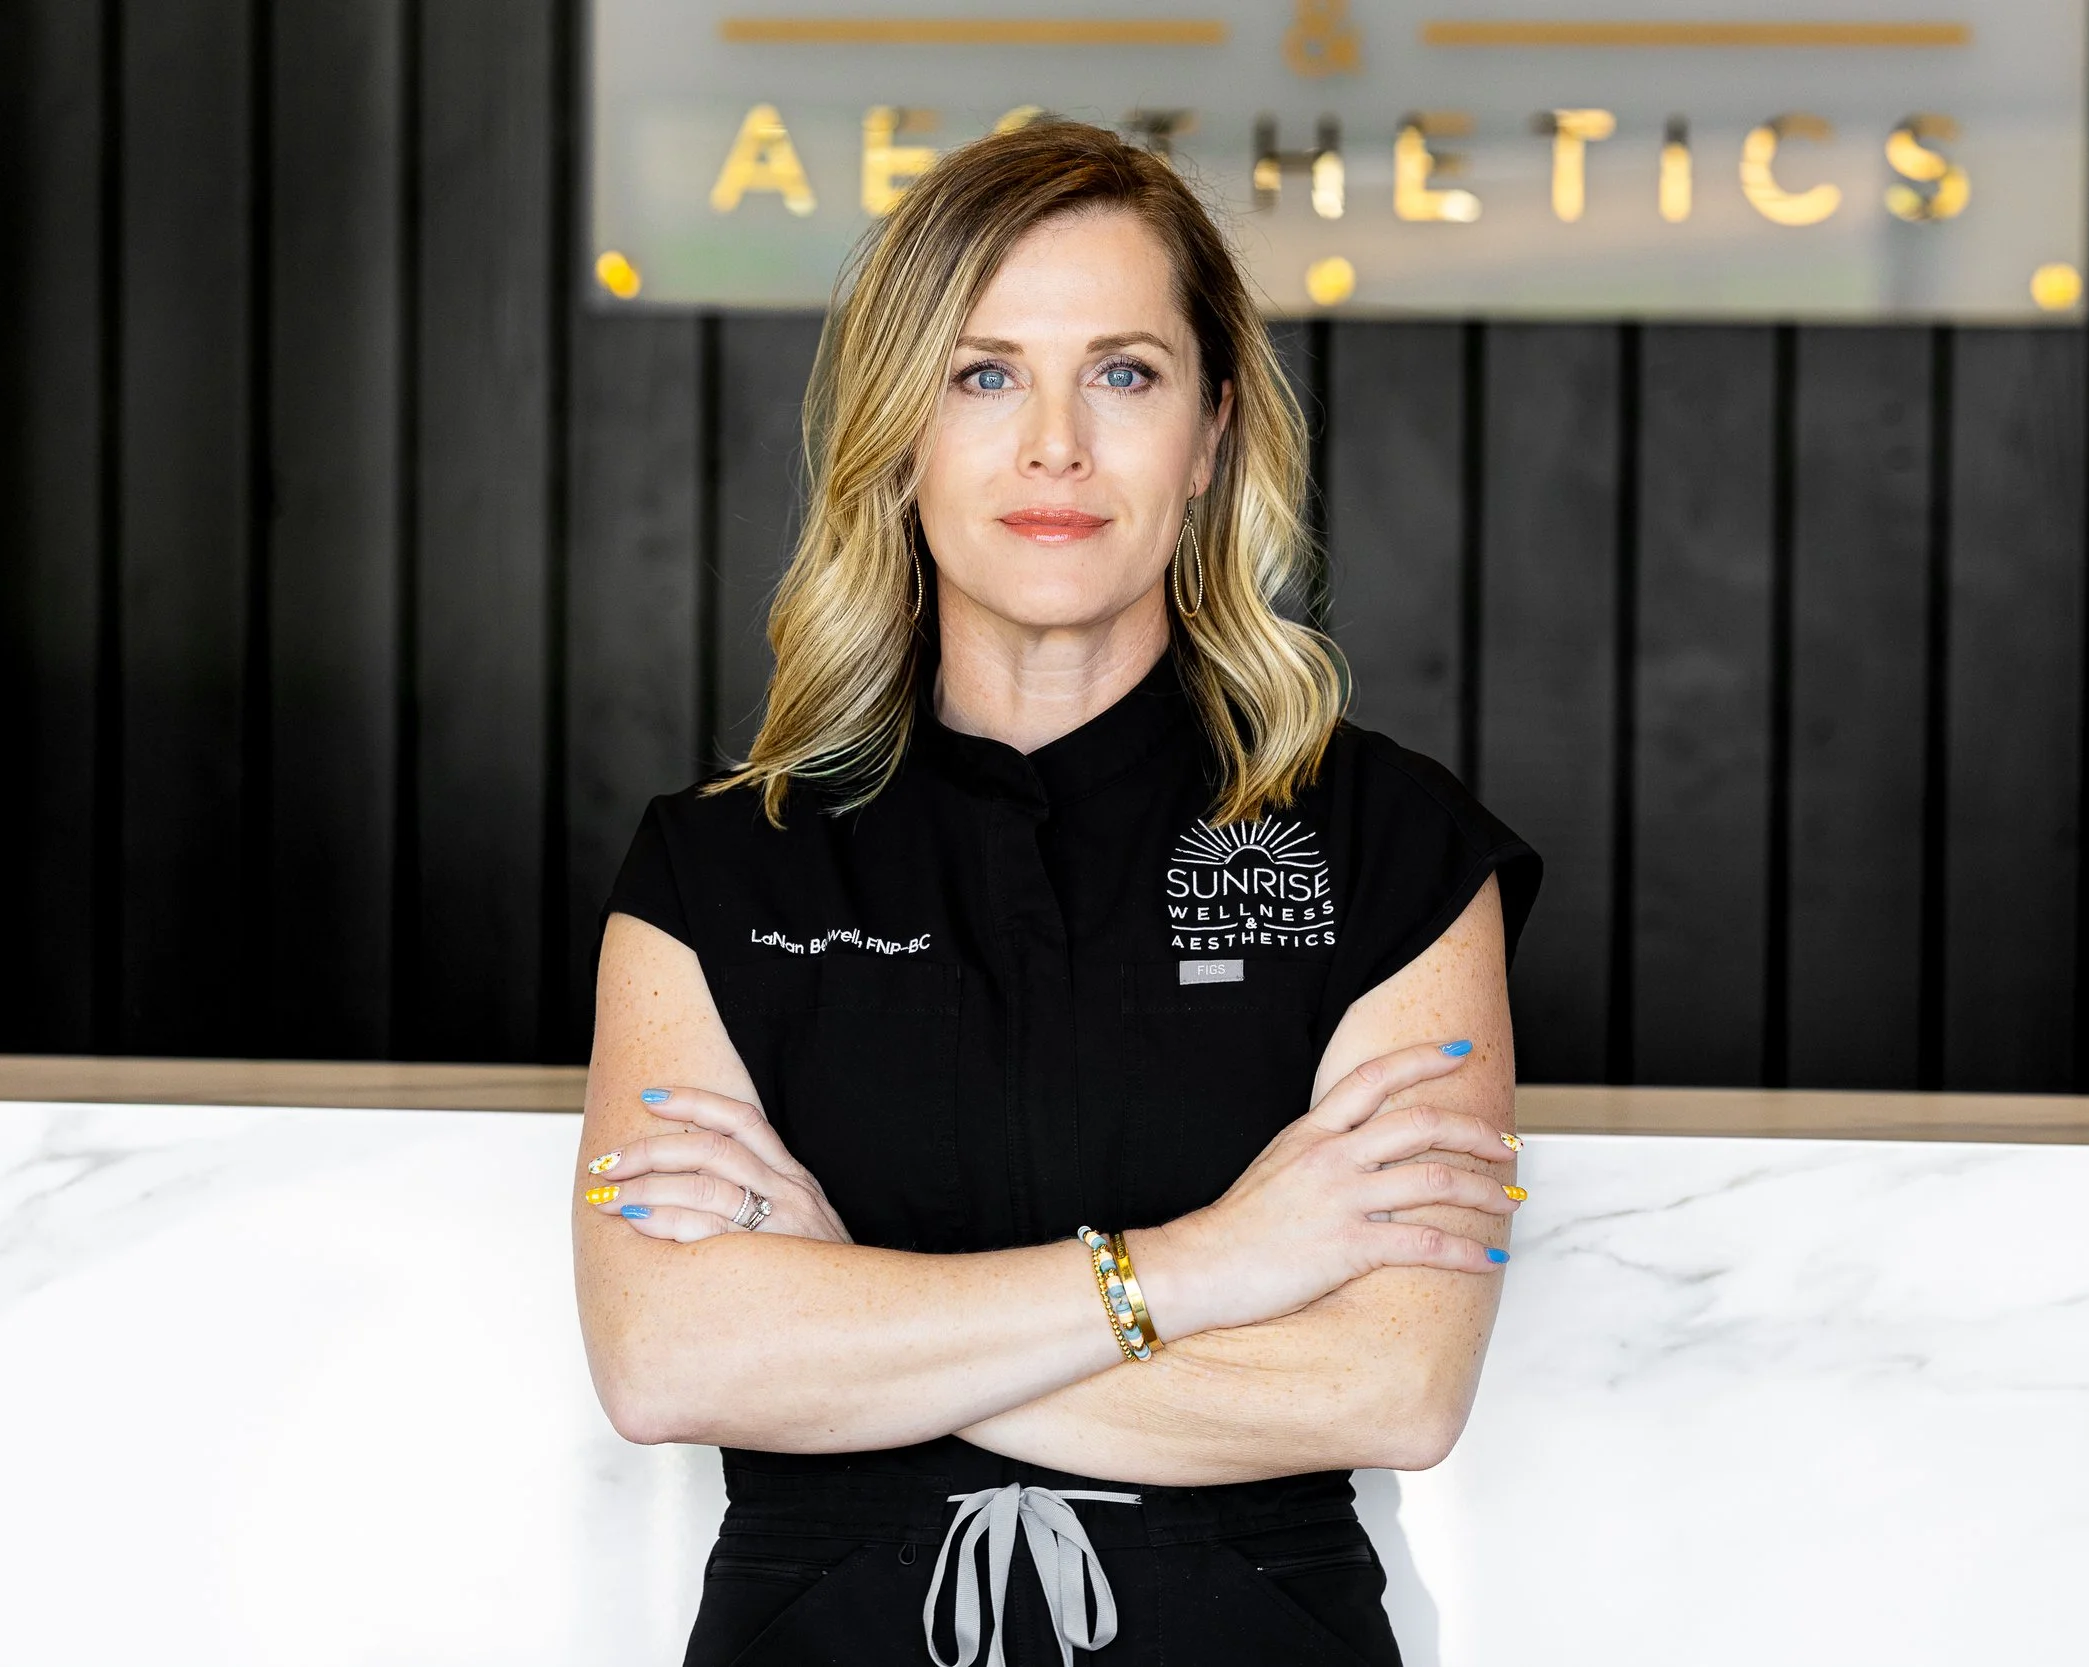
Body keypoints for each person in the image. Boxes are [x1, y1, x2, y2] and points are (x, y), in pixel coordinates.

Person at [572, 120, 1542, 1667]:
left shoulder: (1391, 848)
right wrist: (1209, 1267)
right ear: (901, 432)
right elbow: (665, 1355)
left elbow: (1390, 1386)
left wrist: (841, 1323)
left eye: (1125, 372)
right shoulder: (718, 867)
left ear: (1213, 431)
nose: (1055, 447)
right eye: (983, 373)